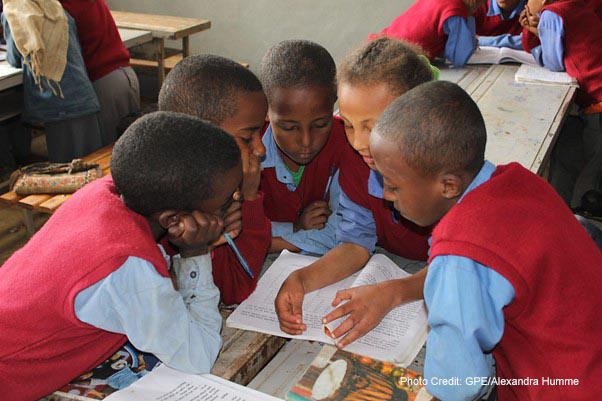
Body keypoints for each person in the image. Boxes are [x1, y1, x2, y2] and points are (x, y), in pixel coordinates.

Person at [366, 80, 602, 400]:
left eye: (393, 185)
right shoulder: (519, 180)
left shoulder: (459, 255)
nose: (385, 195)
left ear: (448, 186)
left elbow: (461, 382)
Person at [0, 111, 244, 400]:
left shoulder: (103, 192)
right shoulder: (128, 267)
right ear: (173, 220)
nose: (237, 201)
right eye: (227, 200)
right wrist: (195, 252)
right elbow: (199, 356)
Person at [275, 37, 435, 344]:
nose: (359, 141)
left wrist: (393, 293)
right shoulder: (357, 161)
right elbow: (356, 242)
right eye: (348, 124)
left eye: (372, 127)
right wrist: (301, 279)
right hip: (399, 268)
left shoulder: (444, 170)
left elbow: (456, 264)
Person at [158, 54, 271, 304]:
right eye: (247, 136)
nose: (260, 149)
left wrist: (248, 199)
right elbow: (233, 289)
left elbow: (232, 288)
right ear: (200, 136)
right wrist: (199, 249)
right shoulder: (156, 205)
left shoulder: (210, 193)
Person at [258, 39, 349, 256]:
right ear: (265, 110)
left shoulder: (346, 142)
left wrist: (264, 243)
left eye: (320, 124)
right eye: (289, 127)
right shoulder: (248, 147)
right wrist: (293, 229)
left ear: (335, 102)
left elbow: (343, 232)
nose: (306, 141)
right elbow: (232, 228)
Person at [521, 0, 602, 208]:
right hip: (595, 102)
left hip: (598, 105)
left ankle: (582, 216)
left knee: (592, 181)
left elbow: (554, 63)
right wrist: (537, 34)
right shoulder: (575, 6)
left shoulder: (551, 14)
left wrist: (538, 44)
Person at [2, 0, 102, 162]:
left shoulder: (15, 10)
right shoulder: (53, 5)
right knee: (92, 166)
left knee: (67, 172)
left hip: (59, 103)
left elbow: (15, 57)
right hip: (84, 97)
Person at [59, 0, 140, 146]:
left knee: (112, 154)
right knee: (130, 151)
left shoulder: (60, 6)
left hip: (103, 82)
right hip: (124, 74)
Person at [367, 0, 485, 66]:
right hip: (396, 60)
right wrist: (470, 35)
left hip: (377, 48)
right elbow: (458, 58)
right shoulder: (455, 12)